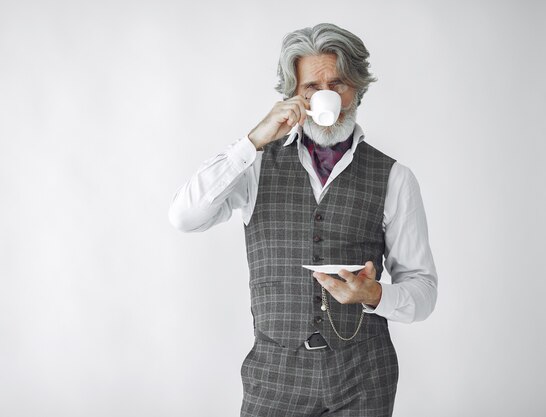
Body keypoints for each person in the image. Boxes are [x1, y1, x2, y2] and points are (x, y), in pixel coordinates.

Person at [168, 23, 437, 417]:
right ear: (295, 95)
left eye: (339, 83)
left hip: (363, 377)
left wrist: (375, 295)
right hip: (274, 377)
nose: (327, 95)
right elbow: (184, 217)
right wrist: (252, 141)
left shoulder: (395, 177)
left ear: (357, 89)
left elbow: (423, 290)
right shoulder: (255, 165)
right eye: (312, 87)